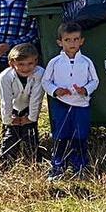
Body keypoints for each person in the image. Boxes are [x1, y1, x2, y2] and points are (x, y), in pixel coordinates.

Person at [41, 22, 98, 179]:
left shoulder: (86, 62)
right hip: (62, 104)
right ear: (60, 42)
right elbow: (46, 82)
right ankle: (58, 166)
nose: (72, 43)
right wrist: (56, 91)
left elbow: (95, 80)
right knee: (61, 135)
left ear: (81, 41)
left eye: (75, 39)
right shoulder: (55, 62)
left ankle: (80, 166)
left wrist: (85, 89)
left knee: (80, 135)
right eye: (68, 40)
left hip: (81, 104)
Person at [0, 43, 43, 170]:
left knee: (30, 137)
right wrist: (9, 120)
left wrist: (31, 118)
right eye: (21, 64)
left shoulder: (39, 74)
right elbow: (5, 100)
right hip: (13, 108)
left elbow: (36, 98)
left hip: (28, 107)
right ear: (12, 64)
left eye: (30, 64)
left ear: (36, 61)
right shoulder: (5, 76)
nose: (26, 68)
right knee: (10, 137)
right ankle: (5, 168)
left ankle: (33, 165)